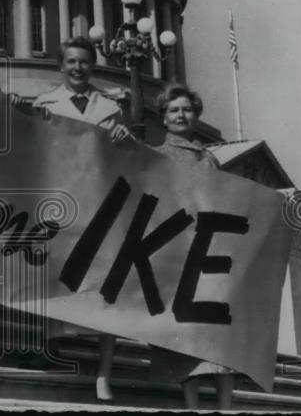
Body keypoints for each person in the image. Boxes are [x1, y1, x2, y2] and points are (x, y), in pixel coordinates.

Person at [29, 36, 133, 400]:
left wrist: (124, 136)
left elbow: (128, 158)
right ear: (61, 66)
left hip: (100, 202)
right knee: (52, 277)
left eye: (84, 62)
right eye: (71, 61)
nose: (77, 68)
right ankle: (51, 349)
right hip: (60, 201)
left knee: (108, 286)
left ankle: (103, 373)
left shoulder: (110, 108)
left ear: (93, 66)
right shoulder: (44, 103)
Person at [148, 83, 234, 411]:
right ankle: (192, 407)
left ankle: (226, 408)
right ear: (164, 118)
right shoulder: (156, 155)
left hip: (211, 251)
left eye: (186, 109)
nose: (181, 115)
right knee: (187, 336)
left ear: (195, 115)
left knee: (220, 335)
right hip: (177, 252)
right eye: (174, 110)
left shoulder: (209, 158)